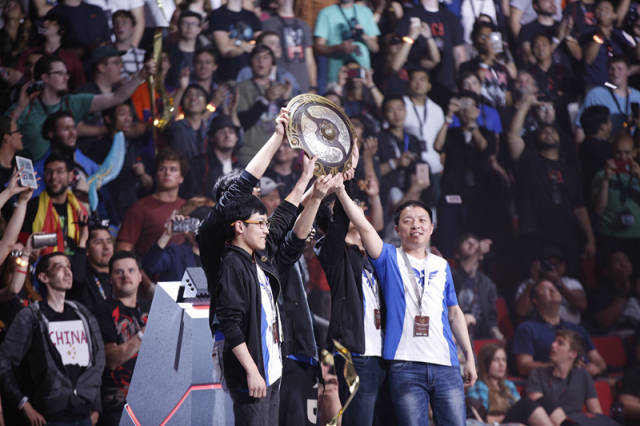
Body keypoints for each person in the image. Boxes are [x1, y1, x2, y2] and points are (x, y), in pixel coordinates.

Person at [335, 191, 476, 425]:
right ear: (397, 230)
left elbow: (454, 312)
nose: (416, 226)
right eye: (408, 221)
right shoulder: (388, 257)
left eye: (422, 220)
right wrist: (341, 191)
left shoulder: (442, 265)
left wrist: (469, 357)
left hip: (446, 364)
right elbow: (365, 228)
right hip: (405, 365)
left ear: (431, 228)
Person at [0, 252, 105, 426]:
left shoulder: (82, 312)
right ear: (44, 277)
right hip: (51, 415)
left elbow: (97, 359)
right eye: (59, 267)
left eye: (69, 266)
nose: (68, 271)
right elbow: (4, 361)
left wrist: (96, 405)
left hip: (84, 412)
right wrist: (24, 404)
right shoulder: (31, 316)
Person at [316, 173, 387, 426]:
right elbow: (339, 224)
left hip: (384, 353)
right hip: (354, 352)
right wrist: (344, 182)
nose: (357, 209)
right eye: (349, 207)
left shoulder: (370, 256)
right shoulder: (333, 253)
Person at [507, 93, 596, 276]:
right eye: (544, 132)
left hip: (566, 233)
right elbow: (512, 136)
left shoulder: (570, 171)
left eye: (552, 131)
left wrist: (590, 238)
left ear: (560, 139)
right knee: (534, 281)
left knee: (570, 280)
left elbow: (579, 207)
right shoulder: (529, 161)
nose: (549, 133)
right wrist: (526, 104)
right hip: (534, 233)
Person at [7, 54, 154, 162]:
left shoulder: (73, 102)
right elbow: (4, 136)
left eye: (66, 73)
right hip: (31, 178)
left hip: (62, 178)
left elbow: (116, 98)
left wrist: (140, 76)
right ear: (45, 78)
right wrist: (19, 108)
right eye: (60, 73)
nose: (66, 77)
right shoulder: (25, 107)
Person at [94, 251, 148, 426]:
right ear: (110, 278)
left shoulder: (152, 308)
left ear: (140, 276)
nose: (125, 276)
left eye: (131, 270)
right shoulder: (103, 310)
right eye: (119, 272)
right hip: (117, 406)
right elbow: (111, 360)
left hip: (151, 401)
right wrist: (143, 334)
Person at [512, 279, 607, 377]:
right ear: (535, 300)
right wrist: (560, 366)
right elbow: (523, 366)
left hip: (584, 379)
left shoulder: (578, 329)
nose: (553, 290)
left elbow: (600, 362)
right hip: (551, 381)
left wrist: (596, 368)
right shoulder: (527, 329)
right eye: (545, 289)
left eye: (555, 288)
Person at [467, 343, 564, 425]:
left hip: (515, 420)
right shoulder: (479, 386)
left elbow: (518, 408)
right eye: (496, 360)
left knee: (544, 401)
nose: (501, 364)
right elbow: (480, 418)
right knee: (526, 404)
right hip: (498, 423)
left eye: (504, 360)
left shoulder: (508, 385)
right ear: (485, 364)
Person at [116, 147, 186, 258]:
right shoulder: (139, 208)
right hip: (148, 268)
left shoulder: (188, 207)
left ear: (181, 177)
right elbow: (123, 250)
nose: (167, 173)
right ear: (155, 175)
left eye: (173, 169)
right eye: (162, 169)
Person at [395, 0, 466, 103]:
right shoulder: (410, 16)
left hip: (446, 85)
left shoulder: (450, 17)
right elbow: (399, 50)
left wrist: (461, 84)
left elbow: (460, 56)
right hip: (417, 86)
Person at [20, 151, 88, 255]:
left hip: (75, 263)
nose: (53, 177)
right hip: (41, 262)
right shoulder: (32, 206)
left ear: (71, 176)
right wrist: (57, 240)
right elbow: (22, 239)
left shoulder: (80, 209)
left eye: (60, 171)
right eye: (49, 172)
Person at [526, 329, 603, 419]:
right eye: (554, 341)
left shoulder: (583, 375)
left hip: (576, 422)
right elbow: (536, 407)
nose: (553, 345)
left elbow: (596, 412)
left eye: (560, 343)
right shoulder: (537, 374)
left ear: (573, 354)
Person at [236, 45, 293, 166]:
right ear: (251, 62)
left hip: (277, 156)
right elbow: (242, 122)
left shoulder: (280, 88)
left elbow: (292, 126)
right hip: (249, 155)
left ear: (272, 63)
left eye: (265, 57)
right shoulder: (241, 88)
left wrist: (285, 99)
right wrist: (265, 100)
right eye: (257, 57)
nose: (261, 61)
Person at [591, 132, 640, 269]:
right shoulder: (601, 175)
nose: (623, 157)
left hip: (636, 236)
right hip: (609, 235)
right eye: (618, 153)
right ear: (612, 153)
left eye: (627, 153)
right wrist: (606, 180)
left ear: (634, 152)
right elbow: (598, 209)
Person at [402, 68, 444, 207]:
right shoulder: (401, 106)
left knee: (433, 204)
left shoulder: (437, 109)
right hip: (410, 165)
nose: (418, 83)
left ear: (429, 85)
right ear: (408, 83)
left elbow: (442, 140)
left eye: (422, 79)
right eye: (414, 79)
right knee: (412, 204)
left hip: (434, 165)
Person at [313, 0, 380, 84]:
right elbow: (318, 48)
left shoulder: (365, 12)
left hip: (363, 79)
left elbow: (375, 48)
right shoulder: (326, 13)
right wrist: (338, 48)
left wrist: (363, 35)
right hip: (336, 78)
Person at [452, 234, 504, 341]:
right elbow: (461, 275)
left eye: (475, 243)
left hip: (480, 337)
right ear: (457, 254)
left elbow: (491, 318)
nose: (472, 243)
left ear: (481, 256)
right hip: (456, 335)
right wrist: (477, 252)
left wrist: (497, 334)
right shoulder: (450, 276)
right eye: (466, 242)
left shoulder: (487, 283)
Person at [577, 55, 640, 138]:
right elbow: (580, 126)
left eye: (619, 69)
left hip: (630, 142)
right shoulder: (596, 94)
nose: (615, 73)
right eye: (611, 69)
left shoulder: (637, 96)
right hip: (604, 143)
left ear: (628, 71)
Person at [263, 0, 317, 92]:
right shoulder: (267, 24)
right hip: (279, 85)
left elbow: (310, 59)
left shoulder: (304, 25)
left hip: (302, 85)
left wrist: (313, 87)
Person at [166, 83, 209, 199]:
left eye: (198, 95)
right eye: (188, 95)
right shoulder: (177, 127)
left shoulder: (211, 129)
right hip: (182, 181)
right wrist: (181, 89)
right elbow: (167, 118)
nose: (193, 98)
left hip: (206, 182)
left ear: (206, 103)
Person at [207, 0, 262, 82]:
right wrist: (247, 46)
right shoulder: (218, 15)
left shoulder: (252, 16)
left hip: (251, 74)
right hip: (228, 74)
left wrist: (235, 42)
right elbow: (225, 50)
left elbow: (260, 47)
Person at [69, 219, 114, 312]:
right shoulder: (84, 278)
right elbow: (76, 281)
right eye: (99, 242)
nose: (106, 247)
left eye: (109, 241)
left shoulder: (119, 275)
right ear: (87, 250)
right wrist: (82, 242)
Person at [203, 114, 240, 196]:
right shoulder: (200, 164)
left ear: (236, 138)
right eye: (222, 132)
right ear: (212, 138)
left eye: (231, 132)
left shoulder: (240, 167)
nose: (227, 135)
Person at [112, 10, 146, 78]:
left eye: (124, 22)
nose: (119, 26)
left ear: (133, 28)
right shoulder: (106, 56)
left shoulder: (143, 55)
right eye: (116, 23)